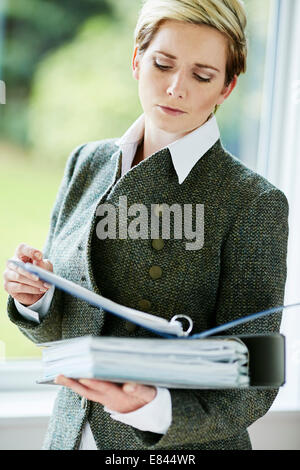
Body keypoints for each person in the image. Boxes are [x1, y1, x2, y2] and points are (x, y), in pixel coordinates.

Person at [3, 0, 289, 451]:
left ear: (227, 88)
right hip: (68, 437)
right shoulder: (87, 162)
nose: (176, 88)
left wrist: (152, 407)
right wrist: (37, 300)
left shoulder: (252, 202)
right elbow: (70, 330)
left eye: (202, 75)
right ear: (137, 60)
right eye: (162, 64)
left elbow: (255, 374)